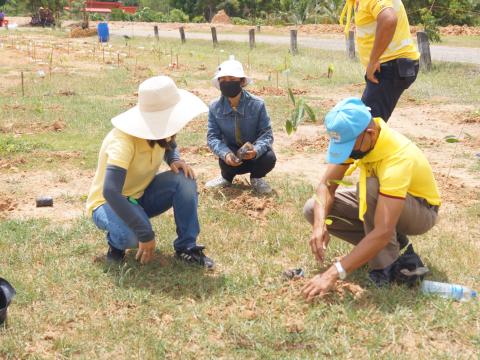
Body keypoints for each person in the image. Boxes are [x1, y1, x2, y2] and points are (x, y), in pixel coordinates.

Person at [301, 98, 440, 301]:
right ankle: (390, 244)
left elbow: (383, 230)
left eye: (350, 146)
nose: (348, 153)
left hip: (421, 212)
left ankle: (386, 265)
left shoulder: (397, 158)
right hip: (388, 205)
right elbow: (326, 186)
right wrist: (319, 225)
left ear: (370, 132)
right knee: (313, 209)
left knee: (371, 188)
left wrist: (334, 272)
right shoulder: (360, 141)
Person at [86, 76, 215, 269]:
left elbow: (169, 144)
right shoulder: (123, 141)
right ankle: (116, 243)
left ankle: (187, 248)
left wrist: (174, 159)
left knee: (184, 180)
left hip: (140, 196)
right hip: (109, 203)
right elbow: (111, 191)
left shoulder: (162, 131)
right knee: (132, 237)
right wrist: (145, 232)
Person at [205, 55, 276, 194]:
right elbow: (212, 137)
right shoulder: (215, 107)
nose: (227, 83)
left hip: (254, 156)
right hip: (231, 155)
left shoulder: (257, 104)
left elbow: (267, 135)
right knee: (224, 159)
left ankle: (257, 178)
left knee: (269, 157)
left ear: (242, 82)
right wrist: (225, 154)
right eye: (223, 80)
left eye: (232, 80)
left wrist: (256, 150)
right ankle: (226, 178)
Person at [340, 0, 420, 122]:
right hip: (391, 66)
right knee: (369, 123)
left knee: (367, 126)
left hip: (390, 67)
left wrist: (373, 60)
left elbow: (389, 19)